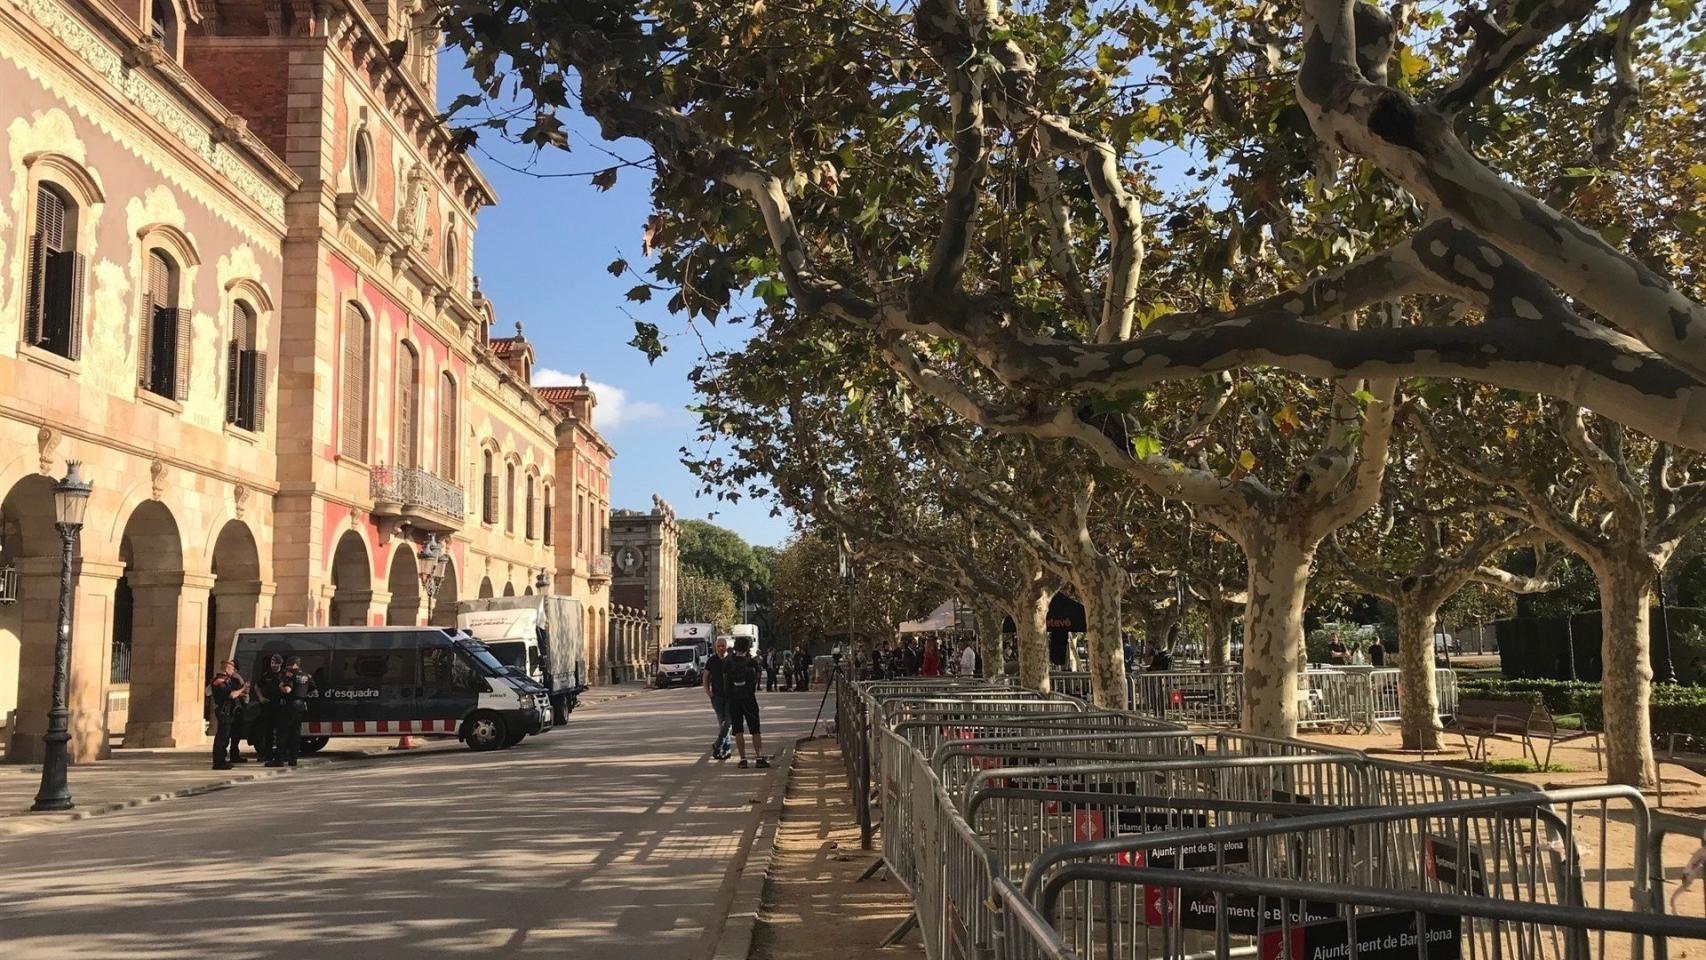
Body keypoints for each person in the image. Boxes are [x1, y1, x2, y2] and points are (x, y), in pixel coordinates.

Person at [725, 637, 768, 768]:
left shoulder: (728, 662)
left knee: (738, 730)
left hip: (734, 700)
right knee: (755, 729)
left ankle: (743, 759)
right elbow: (756, 679)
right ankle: (759, 757)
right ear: (747, 647)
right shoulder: (751, 662)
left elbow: (725, 683)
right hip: (749, 699)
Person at [268, 655, 314, 767]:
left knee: (282, 733)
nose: (287, 667)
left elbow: (287, 690)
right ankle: (293, 759)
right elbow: (312, 688)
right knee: (296, 733)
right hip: (301, 706)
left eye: (289, 664)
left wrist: (280, 687)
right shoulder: (307, 676)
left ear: (293, 665)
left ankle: (279, 760)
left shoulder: (289, 674)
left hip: (289, 706)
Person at [209, 659, 249, 770]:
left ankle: (222, 760)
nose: (234, 671)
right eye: (232, 668)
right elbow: (231, 695)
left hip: (229, 711)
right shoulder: (219, 681)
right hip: (224, 711)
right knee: (222, 737)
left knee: (226, 737)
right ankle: (219, 762)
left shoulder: (228, 680)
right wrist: (242, 689)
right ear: (227, 668)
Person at [702, 637, 734, 760]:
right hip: (717, 697)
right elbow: (706, 676)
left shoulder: (731, 659)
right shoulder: (711, 660)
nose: (721, 648)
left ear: (726, 646)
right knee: (722, 723)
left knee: (728, 723)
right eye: (719, 646)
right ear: (715, 647)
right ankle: (726, 749)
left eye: (723, 645)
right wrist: (708, 691)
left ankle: (717, 744)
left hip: (731, 696)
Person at [254, 653, 285, 762]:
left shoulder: (284, 674)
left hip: (281, 706)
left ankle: (281, 755)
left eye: (275, 663)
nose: (273, 665)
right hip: (268, 706)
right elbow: (257, 686)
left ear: (280, 663)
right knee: (268, 731)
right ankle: (267, 755)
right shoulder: (267, 674)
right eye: (272, 662)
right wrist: (261, 697)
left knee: (281, 731)